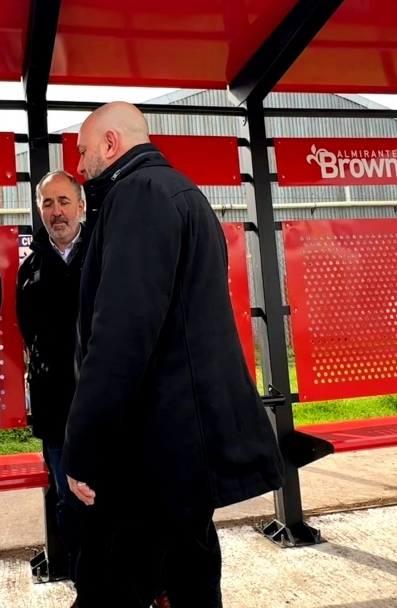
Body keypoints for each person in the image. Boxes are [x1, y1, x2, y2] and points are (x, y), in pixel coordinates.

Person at [64, 102, 286, 607]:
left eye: (83, 151)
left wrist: (84, 446)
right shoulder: (180, 192)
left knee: (114, 584)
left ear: (111, 144)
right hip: (186, 448)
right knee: (191, 577)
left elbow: (122, 334)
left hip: (155, 450)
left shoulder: (137, 195)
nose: (80, 166)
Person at [15, 171, 89, 597]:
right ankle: (88, 589)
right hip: (57, 409)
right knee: (69, 502)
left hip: (112, 405)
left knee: (130, 498)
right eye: (47, 203)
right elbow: (31, 337)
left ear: (80, 206)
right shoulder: (30, 268)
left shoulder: (105, 253)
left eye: (63, 201)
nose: (56, 211)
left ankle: (150, 585)